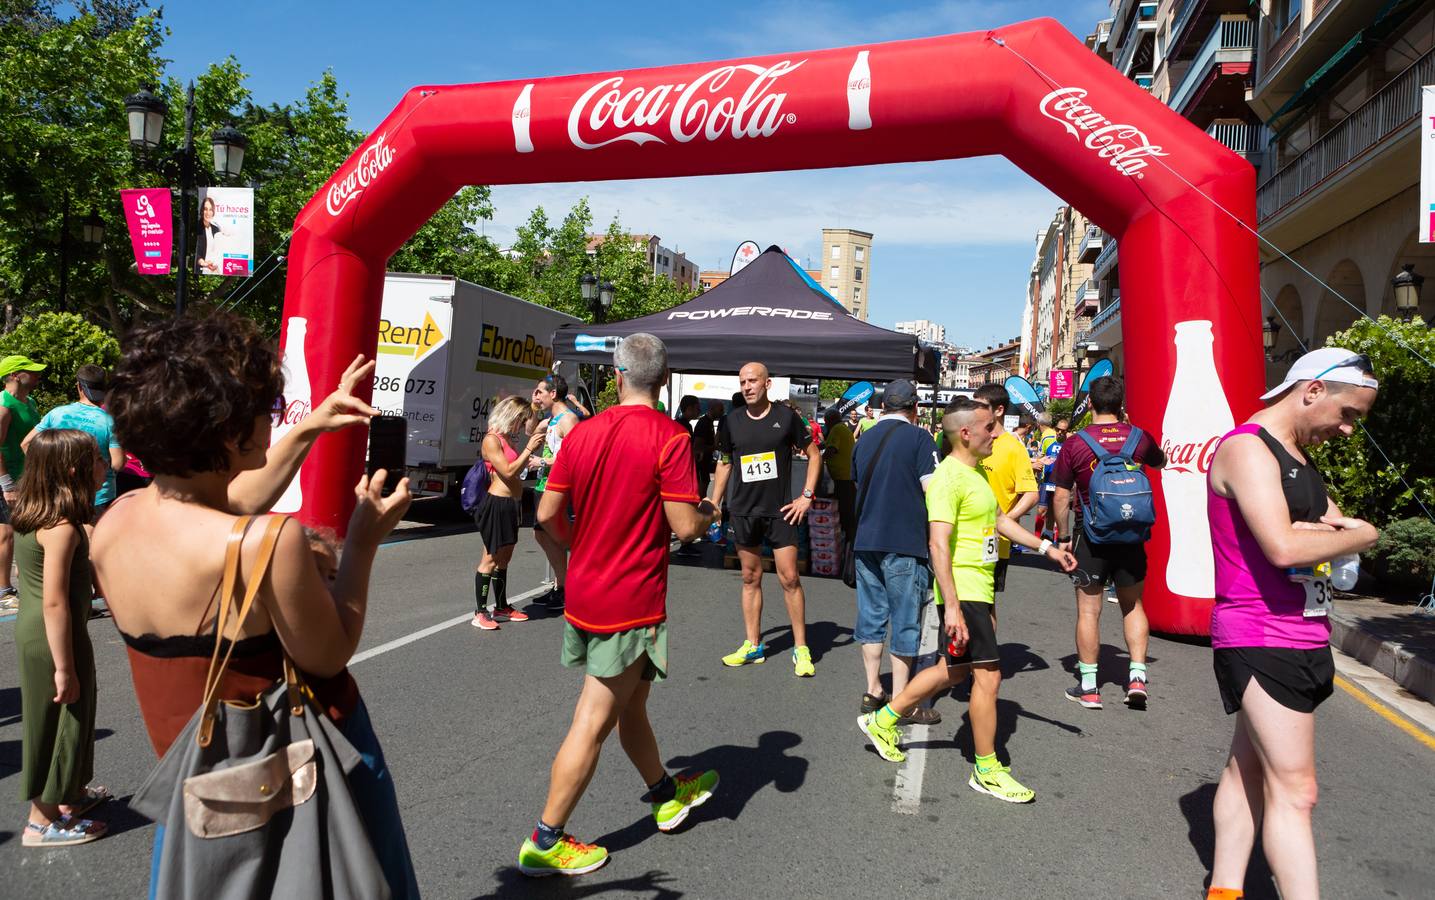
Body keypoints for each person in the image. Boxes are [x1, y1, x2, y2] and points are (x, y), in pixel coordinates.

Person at [91, 313, 419, 899]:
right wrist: (364, 539)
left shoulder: (116, 524)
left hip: (198, 777)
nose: (275, 417)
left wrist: (311, 428)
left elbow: (222, 498)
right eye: (267, 410)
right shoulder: (266, 543)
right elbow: (330, 653)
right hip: (296, 769)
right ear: (227, 433)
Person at [520, 333, 720, 877]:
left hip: (588, 591)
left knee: (631, 705)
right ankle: (545, 838)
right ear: (666, 377)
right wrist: (710, 508)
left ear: (616, 376)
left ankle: (662, 791)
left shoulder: (583, 432)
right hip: (630, 600)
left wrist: (576, 546)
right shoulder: (670, 437)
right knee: (593, 720)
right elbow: (685, 528)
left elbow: (546, 516)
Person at [1204, 349, 1380, 900]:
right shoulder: (1247, 451)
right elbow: (1283, 546)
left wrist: (1335, 535)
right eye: (1347, 413)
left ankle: (1225, 890)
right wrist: (1365, 534)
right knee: (1297, 791)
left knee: (1245, 771)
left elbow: (1323, 526)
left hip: (1303, 631)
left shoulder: (1296, 456)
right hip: (1261, 635)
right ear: (1311, 392)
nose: (1349, 430)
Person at [857, 398, 1076, 804]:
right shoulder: (948, 480)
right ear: (965, 434)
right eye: (989, 428)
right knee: (989, 677)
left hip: (979, 587)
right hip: (966, 591)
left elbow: (1001, 521)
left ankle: (884, 720)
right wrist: (953, 606)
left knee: (954, 672)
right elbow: (937, 542)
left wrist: (1047, 547)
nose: (996, 434)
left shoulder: (974, 477)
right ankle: (987, 769)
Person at [15, 429, 110, 846]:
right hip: (55, 637)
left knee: (76, 714)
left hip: (48, 633)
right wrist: (64, 667)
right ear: (75, 470)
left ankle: (69, 795)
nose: (105, 466)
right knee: (59, 721)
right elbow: (54, 602)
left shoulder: (35, 515)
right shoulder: (62, 527)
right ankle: (41, 821)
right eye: (97, 459)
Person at [1050, 376, 1166, 710]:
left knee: (1089, 610)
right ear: (1121, 404)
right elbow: (1160, 462)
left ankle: (1089, 687)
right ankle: (1137, 678)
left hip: (1092, 536)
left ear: (1090, 405)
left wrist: (1063, 536)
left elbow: (1061, 495)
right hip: (1131, 537)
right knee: (1133, 605)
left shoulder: (1075, 443)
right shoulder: (1139, 437)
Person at [707, 362, 822, 676]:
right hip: (744, 511)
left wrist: (807, 497)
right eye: (742, 381)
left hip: (780, 511)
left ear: (767, 383)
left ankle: (801, 648)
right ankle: (753, 644)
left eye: (753, 381)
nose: (747, 387)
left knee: (789, 579)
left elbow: (815, 455)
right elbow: (726, 463)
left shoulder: (786, 418)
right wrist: (714, 503)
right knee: (749, 578)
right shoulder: (731, 422)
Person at [849, 380, 942, 721]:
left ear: (883, 407)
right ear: (914, 408)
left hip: (866, 539)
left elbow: (859, 485)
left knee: (871, 616)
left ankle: (873, 688)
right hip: (904, 540)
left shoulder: (865, 439)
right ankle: (903, 700)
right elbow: (933, 491)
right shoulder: (921, 439)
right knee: (905, 621)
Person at [473, 396, 548, 630]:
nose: (520, 426)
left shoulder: (506, 439)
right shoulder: (491, 440)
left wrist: (531, 457)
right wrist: (528, 449)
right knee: (490, 558)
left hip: (511, 503)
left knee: (504, 557)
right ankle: (480, 612)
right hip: (497, 503)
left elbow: (517, 469)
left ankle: (502, 605)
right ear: (510, 416)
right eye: (519, 420)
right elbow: (507, 471)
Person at [23, 365, 126, 519]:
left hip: (57, 492)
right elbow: (117, 463)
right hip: (97, 497)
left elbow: (26, 444)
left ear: (79, 386)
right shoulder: (109, 422)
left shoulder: (56, 414)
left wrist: (48, 469)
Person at [971, 384, 1038, 588]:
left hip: (994, 542)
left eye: (980, 406)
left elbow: (1031, 494)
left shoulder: (1014, 448)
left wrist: (1006, 521)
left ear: (999, 410)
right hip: (964, 536)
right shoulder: (969, 438)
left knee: (986, 604)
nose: (975, 411)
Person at [0, 354, 45, 613]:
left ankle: (23, 581)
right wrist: (6, 484)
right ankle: (4, 592)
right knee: (6, 533)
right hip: (7, 479)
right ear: (16, 375)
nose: (38, 375)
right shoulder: (3, 405)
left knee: (27, 528)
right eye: (32, 371)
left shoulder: (30, 401)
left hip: (27, 476)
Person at [531, 374, 579, 612]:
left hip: (559, 486)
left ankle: (568, 587)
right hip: (543, 484)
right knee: (541, 535)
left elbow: (576, 455)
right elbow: (530, 430)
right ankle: (562, 585)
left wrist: (543, 462)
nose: (536, 395)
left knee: (557, 535)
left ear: (553, 394)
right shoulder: (549, 420)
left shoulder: (568, 419)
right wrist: (533, 409)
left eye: (540, 392)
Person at [820, 407, 856, 542]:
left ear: (830, 420)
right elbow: (827, 444)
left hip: (843, 478)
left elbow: (831, 449)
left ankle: (847, 542)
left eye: (826, 421)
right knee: (846, 510)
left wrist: (818, 460)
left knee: (844, 512)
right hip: (846, 477)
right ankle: (847, 540)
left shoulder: (836, 429)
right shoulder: (842, 429)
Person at [1032, 416, 1069, 540]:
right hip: (1047, 480)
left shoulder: (1070, 443)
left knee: (1056, 511)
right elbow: (1040, 456)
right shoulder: (1047, 439)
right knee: (1042, 509)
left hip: (1061, 483)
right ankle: (1036, 538)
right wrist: (1040, 462)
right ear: (1055, 428)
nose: (1060, 432)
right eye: (1058, 429)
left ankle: (1050, 535)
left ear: (1067, 431)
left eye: (1063, 430)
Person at [194, 194, 234, 275]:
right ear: (202, 211)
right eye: (205, 209)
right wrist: (204, 263)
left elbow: (219, 249)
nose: (208, 212)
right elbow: (195, 252)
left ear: (213, 211)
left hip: (214, 268)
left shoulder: (215, 229)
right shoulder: (197, 228)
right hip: (202, 269)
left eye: (210, 209)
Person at [692, 399, 721, 500]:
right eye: (720, 409)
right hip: (701, 462)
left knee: (705, 483)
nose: (722, 412)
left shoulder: (709, 422)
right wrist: (715, 447)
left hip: (705, 462)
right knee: (701, 489)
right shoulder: (703, 423)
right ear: (712, 409)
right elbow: (697, 446)